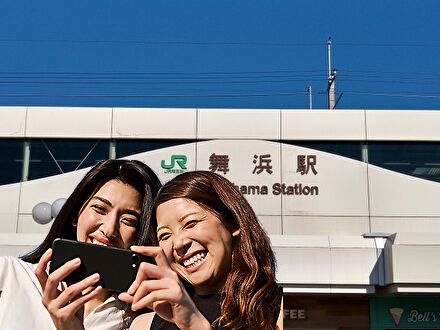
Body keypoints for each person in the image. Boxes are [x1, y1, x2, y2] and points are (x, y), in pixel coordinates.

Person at [0, 159, 162, 330]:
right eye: (100, 209)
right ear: (75, 215)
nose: (109, 229)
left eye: (129, 220)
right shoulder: (10, 274)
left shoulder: (144, 318)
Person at [119, 171, 282, 330]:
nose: (178, 243)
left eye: (190, 224)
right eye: (165, 235)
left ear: (232, 222)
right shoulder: (143, 325)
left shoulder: (284, 310)